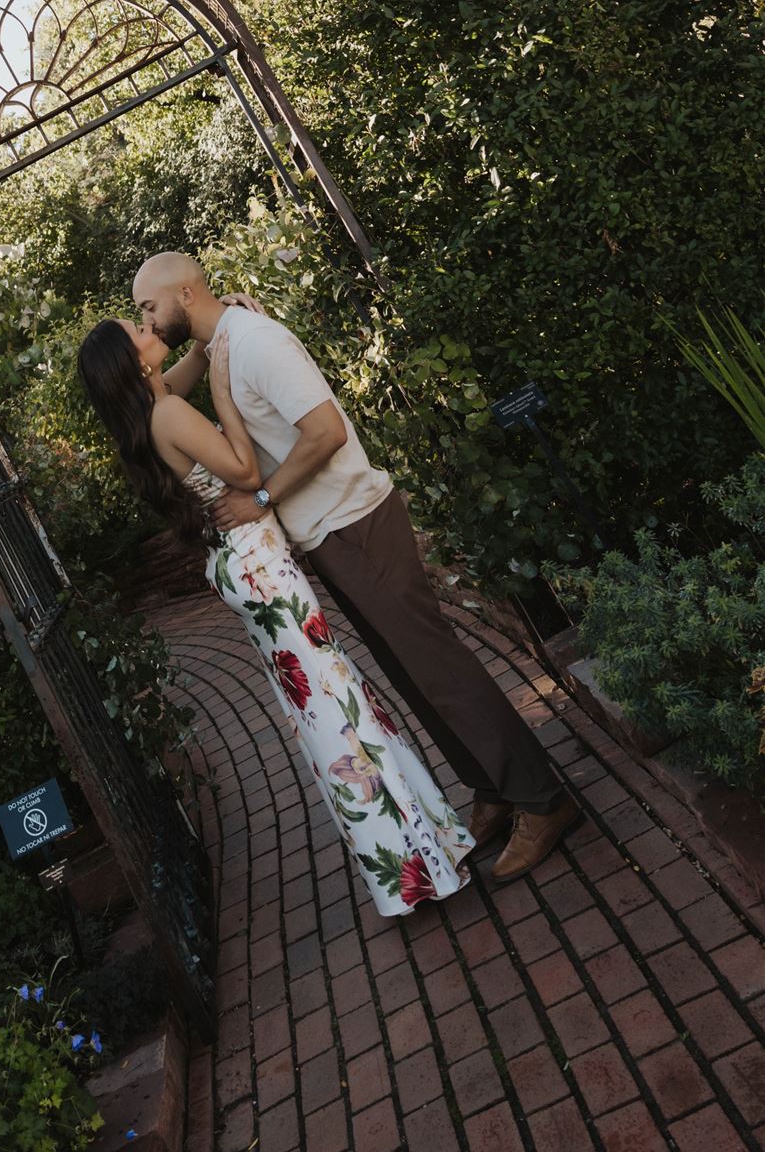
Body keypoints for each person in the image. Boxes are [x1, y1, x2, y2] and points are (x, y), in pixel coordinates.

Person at [126, 253, 583, 885]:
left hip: (356, 522)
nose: (145, 319)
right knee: (411, 675)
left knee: (437, 668)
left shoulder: (253, 342)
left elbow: (325, 432)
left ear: (182, 292)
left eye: (148, 308)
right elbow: (161, 391)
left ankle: (544, 799)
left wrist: (261, 499)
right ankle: (492, 789)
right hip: (328, 533)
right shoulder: (224, 342)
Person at [77, 311, 475, 918]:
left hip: (243, 566)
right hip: (260, 566)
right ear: (132, 362)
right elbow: (246, 473)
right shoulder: (170, 414)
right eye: (135, 330)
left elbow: (188, 366)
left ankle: (419, 851)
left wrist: (215, 340)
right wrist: (226, 402)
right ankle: (416, 863)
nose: (145, 325)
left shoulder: (153, 409)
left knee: (325, 705)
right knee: (334, 705)